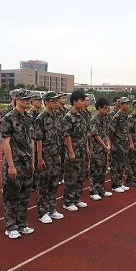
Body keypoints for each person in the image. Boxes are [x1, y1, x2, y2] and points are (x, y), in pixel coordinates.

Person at [0, 88, 35, 239]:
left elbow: (31, 141)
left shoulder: (28, 117)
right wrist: (11, 165)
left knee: (25, 195)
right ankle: (10, 225)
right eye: (24, 99)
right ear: (16, 99)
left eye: (29, 99)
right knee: (12, 196)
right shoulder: (8, 118)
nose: (28, 101)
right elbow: (5, 143)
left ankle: (21, 223)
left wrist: (32, 161)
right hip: (15, 162)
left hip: (27, 162)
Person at [33, 91, 64, 223]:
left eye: (56, 101)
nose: (55, 103)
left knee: (53, 183)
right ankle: (42, 211)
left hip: (56, 155)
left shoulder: (56, 116)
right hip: (45, 156)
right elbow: (38, 140)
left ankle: (51, 208)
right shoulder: (41, 118)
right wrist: (39, 158)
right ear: (46, 102)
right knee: (43, 184)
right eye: (52, 101)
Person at [62, 90, 89, 211]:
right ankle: (68, 201)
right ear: (74, 102)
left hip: (82, 150)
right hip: (73, 151)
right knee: (71, 177)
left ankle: (77, 198)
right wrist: (71, 151)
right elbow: (66, 135)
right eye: (81, 101)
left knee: (80, 176)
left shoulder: (81, 115)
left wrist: (87, 148)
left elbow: (84, 134)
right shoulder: (69, 117)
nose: (84, 103)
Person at [89, 97, 113, 200]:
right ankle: (93, 191)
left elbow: (107, 132)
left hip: (104, 148)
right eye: (105, 108)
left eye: (107, 108)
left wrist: (108, 144)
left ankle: (101, 189)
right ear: (99, 108)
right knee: (96, 170)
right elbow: (95, 134)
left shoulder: (106, 117)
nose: (106, 110)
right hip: (97, 148)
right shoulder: (94, 119)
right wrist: (104, 145)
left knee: (103, 169)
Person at [109, 97, 131, 193]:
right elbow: (111, 131)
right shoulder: (117, 116)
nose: (127, 105)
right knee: (116, 165)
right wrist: (113, 143)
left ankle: (120, 182)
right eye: (125, 104)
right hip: (117, 145)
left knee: (122, 165)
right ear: (121, 105)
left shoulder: (125, 116)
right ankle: (115, 185)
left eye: (128, 103)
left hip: (124, 144)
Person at [55, 92, 68, 185]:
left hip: (65, 138)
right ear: (58, 99)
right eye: (63, 98)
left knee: (64, 158)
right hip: (58, 138)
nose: (65, 99)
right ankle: (58, 176)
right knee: (58, 159)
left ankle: (61, 176)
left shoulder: (66, 111)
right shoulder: (55, 110)